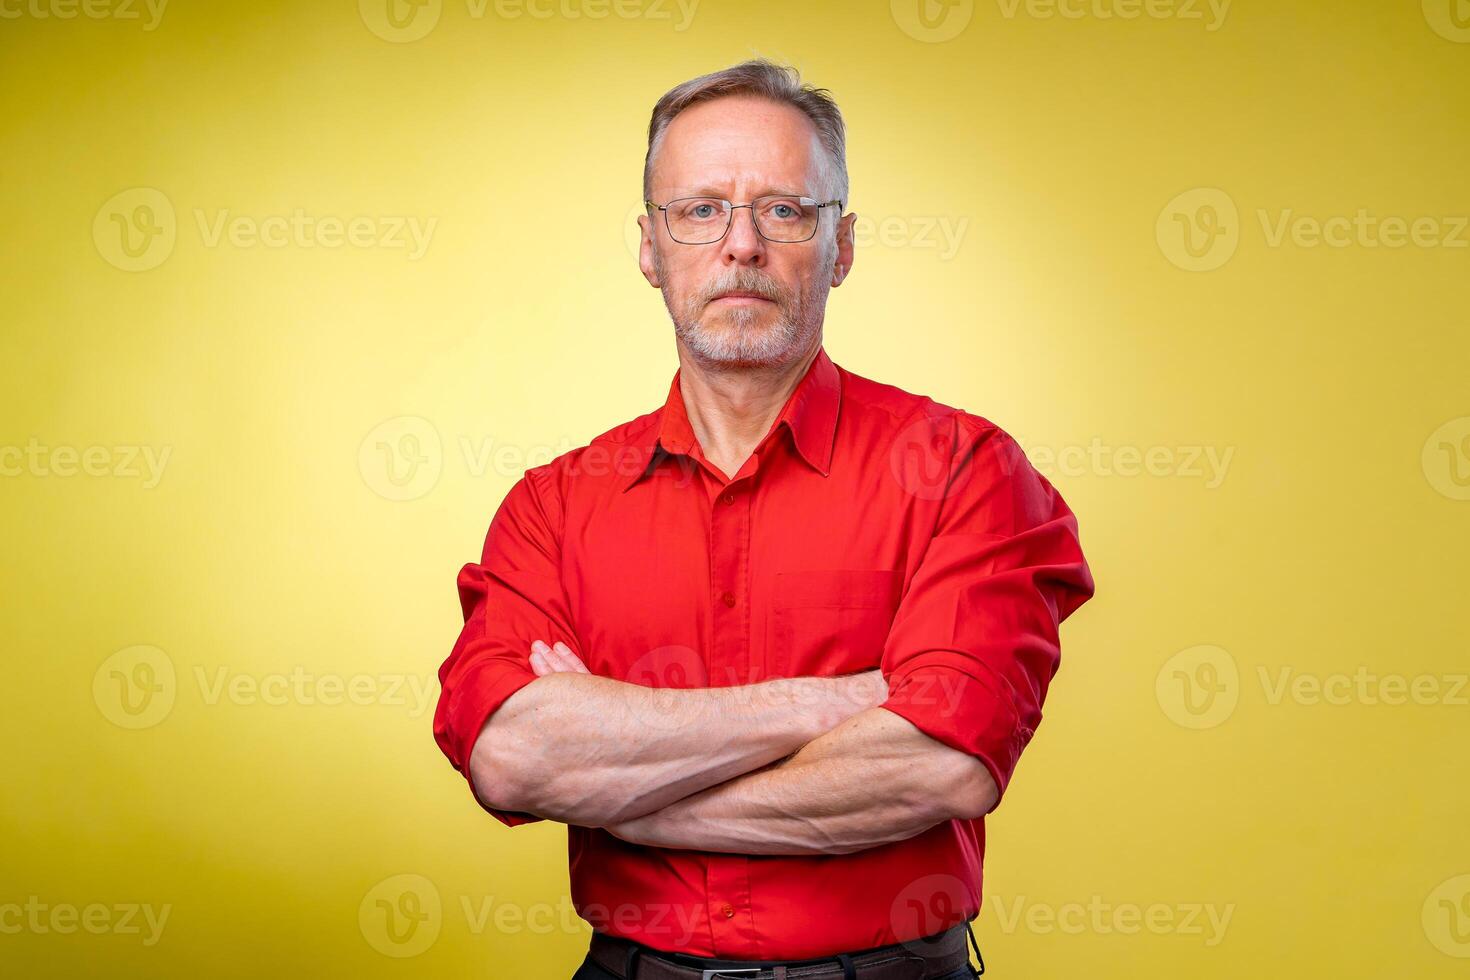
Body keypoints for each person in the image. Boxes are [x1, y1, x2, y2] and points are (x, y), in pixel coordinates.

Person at [432, 58, 1096, 980]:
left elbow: (942, 766)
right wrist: (835, 700)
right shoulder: (554, 506)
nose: (740, 244)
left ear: (844, 245)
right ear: (649, 247)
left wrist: (623, 795)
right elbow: (512, 756)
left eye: (783, 209)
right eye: (699, 210)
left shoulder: (963, 473)